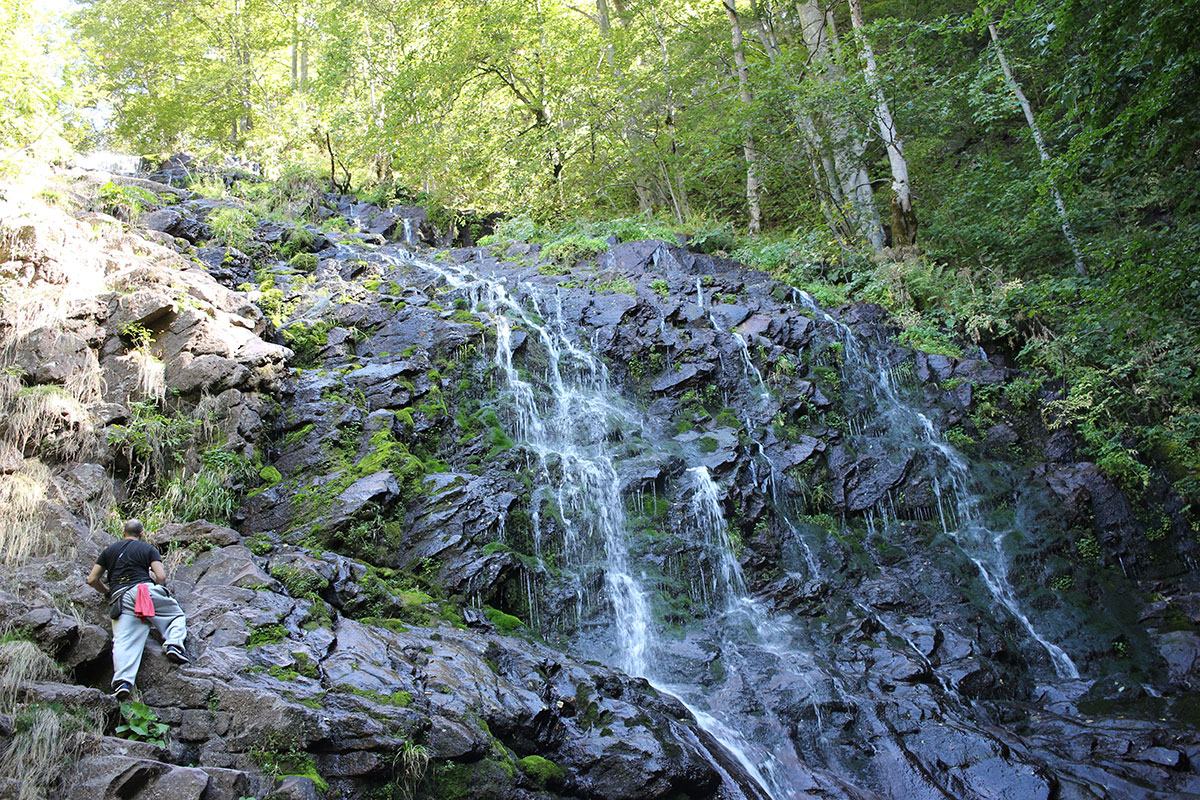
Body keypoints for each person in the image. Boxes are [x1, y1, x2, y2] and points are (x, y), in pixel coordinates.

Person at [86, 518, 189, 699]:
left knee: (123, 639)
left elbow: (92, 579)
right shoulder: (148, 549)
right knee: (174, 616)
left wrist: (107, 592)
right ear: (141, 534)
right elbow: (161, 576)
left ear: (123, 533)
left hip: (120, 597)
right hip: (143, 591)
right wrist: (161, 590)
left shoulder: (108, 551)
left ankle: (123, 682)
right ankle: (173, 644)